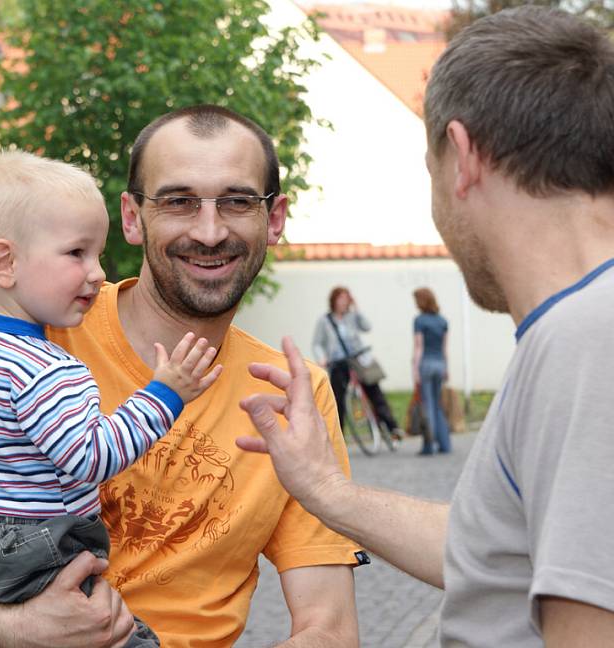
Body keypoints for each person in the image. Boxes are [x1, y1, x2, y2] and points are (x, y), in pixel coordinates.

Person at [0, 105, 365, 647]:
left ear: (274, 220)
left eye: (238, 201)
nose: (209, 230)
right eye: (178, 201)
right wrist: (7, 627)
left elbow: (330, 628)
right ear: (132, 217)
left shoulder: (293, 394)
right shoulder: (27, 337)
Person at [237, 7, 614, 647]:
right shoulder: (581, 324)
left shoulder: (585, 339)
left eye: (429, 170)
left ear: (462, 156)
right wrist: (326, 489)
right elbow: (494, 554)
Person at [0, 151, 223, 648]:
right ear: (6, 262)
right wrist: (165, 394)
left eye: (98, 255)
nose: (98, 273)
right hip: (41, 544)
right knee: (113, 634)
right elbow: (90, 457)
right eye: (77, 254)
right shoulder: (48, 368)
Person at [311, 285, 402, 439]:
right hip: (338, 362)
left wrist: (356, 307)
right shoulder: (325, 320)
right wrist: (321, 358)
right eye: (341, 298)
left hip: (358, 359)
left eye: (347, 299)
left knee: (375, 393)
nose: (344, 302)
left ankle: (392, 427)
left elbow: (367, 327)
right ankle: (337, 436)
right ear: (334, 300)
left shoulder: (352, 316)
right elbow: (317, 343)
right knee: (337, 399)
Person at [411, 287, 449, 455]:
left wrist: (415, 369)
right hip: (440, 364)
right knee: (437, 404)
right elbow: (444, 348)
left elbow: (418, 347)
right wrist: (447, 367)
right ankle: (445, 444)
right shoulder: (442, 321)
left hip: (426, 364)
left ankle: (429, 445)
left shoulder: (419, 321)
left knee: (428, 406)